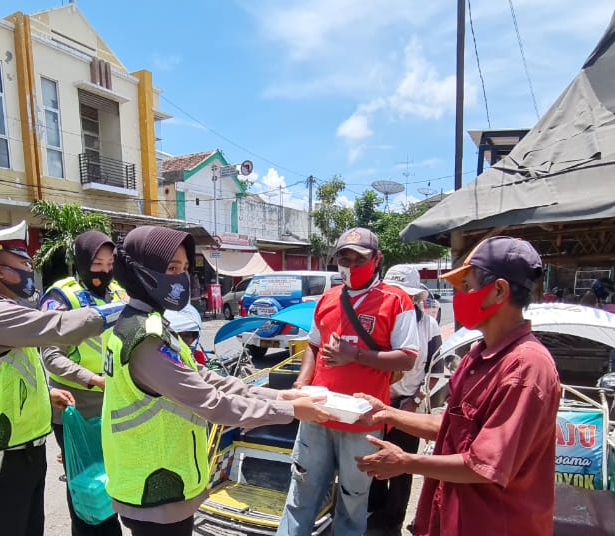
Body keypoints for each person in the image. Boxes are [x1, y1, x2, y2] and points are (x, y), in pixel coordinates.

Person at [101, 226, 332, 535]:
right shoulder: (146, 340)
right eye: (171, 269)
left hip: (157, 484)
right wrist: (290, 412)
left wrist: (278, 398)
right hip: (155, 488)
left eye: (184, 269)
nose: (181, 278)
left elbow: (206, 379)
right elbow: (211, 403)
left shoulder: (145, 324)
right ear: (141, 272)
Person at [354, 236, 561, 536]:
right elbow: (452, 427)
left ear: (499, 290)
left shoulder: (526, 369)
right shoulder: (478, 355)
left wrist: (406, 462)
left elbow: (482, 465)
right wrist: (386, 413)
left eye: (467, 287)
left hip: (495, 524)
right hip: (453, 518)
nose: (460, 296)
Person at [0, 222, 126, 536]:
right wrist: (131, 308)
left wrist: (46, 393)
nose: (30, 272)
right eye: (24, 265)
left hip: (22, 451)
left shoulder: (1, 310)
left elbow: (12, 374)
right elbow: (58, 327)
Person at [278, 227, 419, 536]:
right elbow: (313, 345)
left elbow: (408, 358)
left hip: (362, 419)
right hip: (317, 412)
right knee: (302, 491)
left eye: (360, 259)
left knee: (353, 499)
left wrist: (355, 355)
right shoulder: (328, 298)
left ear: (377, 259)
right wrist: (302, 380)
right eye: (345, 258)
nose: (352, 265)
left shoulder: (396, 301)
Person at [40, 230, 128, 536]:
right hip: (77, 407)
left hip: (114, 405)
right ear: (81, 261)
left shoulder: (118, 293)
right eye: (97, 263)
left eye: (109, 263)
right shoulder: (62, 297)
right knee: (85, 482)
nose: (104, 271)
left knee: (113, 478)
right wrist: (93, 379)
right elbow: (51, 356)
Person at [366, 265, 444, 536]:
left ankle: (393, 523)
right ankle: (372, 516)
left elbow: (435, 372)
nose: (402, 300)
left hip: (406, 407)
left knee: (401, 469)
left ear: (418, 298)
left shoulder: (429, 325)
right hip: (374, 405)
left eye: (408, 295)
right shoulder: (378, 319)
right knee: (372, 461)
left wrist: (416, 400)